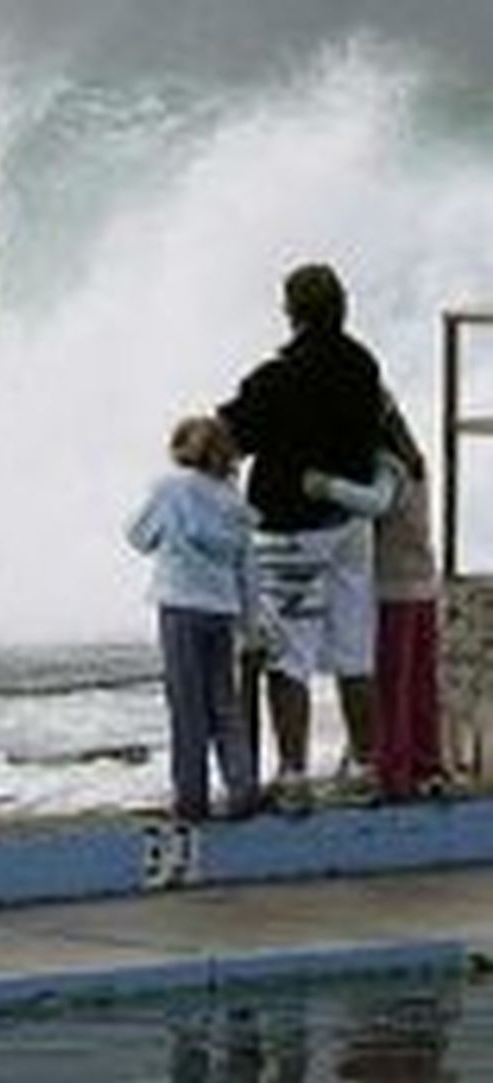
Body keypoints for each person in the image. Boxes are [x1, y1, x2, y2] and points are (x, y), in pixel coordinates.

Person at [217, 263, 385, 810]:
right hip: (351, 523)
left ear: (292, 312)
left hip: (291, 531)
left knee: (288, 654)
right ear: (342, 306)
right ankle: (366, 767)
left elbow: (233, 432)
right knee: (354, 648)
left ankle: (293, 776)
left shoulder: (279, 377)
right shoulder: (363, 365)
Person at [303, 393, 445, 800]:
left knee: (390, 689)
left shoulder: (386, 466)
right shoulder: (416, 463)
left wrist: (324, 486)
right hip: (422, 586)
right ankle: (426, 768)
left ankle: (393, 776)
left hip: (393, 590)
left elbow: (376, 502)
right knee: (419, 687)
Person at [127, 415, 263, 822]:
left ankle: (191, 799)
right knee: (224, 702)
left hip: (180, 606)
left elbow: (138, 536)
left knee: (187, 706)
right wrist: (251, 625)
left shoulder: (171, 489)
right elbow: (247, 569)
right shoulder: (234, 502)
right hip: (222, 609)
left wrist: (170, 538)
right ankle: (242, 787)